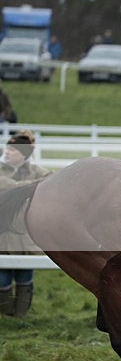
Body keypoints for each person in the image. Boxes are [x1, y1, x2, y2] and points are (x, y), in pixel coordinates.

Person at [0, 131, 51, 317]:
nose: (7, 152)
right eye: (7, 147)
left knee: (24, 277)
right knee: (2, 277)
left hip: (23, 234)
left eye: (12, 149)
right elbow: (6, 185)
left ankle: (21, 317)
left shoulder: (35, 170)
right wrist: (35, 185)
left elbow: (52, 181)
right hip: (3, 234)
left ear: (23, 154)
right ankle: (5, 316)